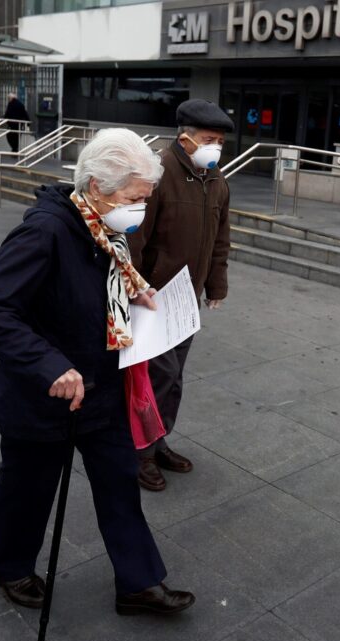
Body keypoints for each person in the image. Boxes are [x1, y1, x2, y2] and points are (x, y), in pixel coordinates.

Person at [0, 128, 195, 616]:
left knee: (118, 484)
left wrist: (134, 293)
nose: (140, 210)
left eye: (145, 200)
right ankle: (11, 568)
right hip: (44, 397)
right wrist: (50, 364)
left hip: (103, 388)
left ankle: (138, 582)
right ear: (96, 187)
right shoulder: (45, 232)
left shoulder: (105, 229)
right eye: (135, 199)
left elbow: (100, 281)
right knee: (27, 490)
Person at [128, 99, 234, 492]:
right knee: (156, 377)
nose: (216, 148)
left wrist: (215, 286)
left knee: (173, 380)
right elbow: (134, 237)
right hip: (153, 296)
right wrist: (137, 287)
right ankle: (138, 453)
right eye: (210, 139)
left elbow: (220, 239)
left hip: (185, 301)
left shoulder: (217, 180)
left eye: (221, 141)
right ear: (185, 137)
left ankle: (157, 443)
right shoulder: (158, 174)